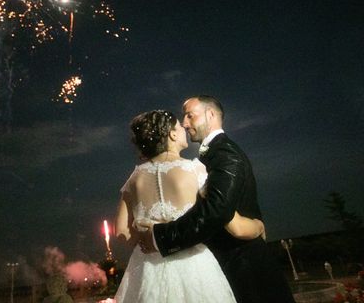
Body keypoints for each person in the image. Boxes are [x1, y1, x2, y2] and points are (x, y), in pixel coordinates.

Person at [139, 96, 296, 303]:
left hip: (244, 267)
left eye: (190, 116)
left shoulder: (225, 153)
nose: (185, 123)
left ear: (210, 114)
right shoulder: (209, 157)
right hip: (226, 265)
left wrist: (160, 237)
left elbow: (217, 211)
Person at [113, 109, 265, 302]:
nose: (184, 127)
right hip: (194, 266)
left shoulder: (134, 178)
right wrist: (258, 226)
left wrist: (148, 239)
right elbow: (234, 226)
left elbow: (122, 233)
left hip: (146, 269)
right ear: (172, 134)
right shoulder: (195, 170)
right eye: (179, 126)